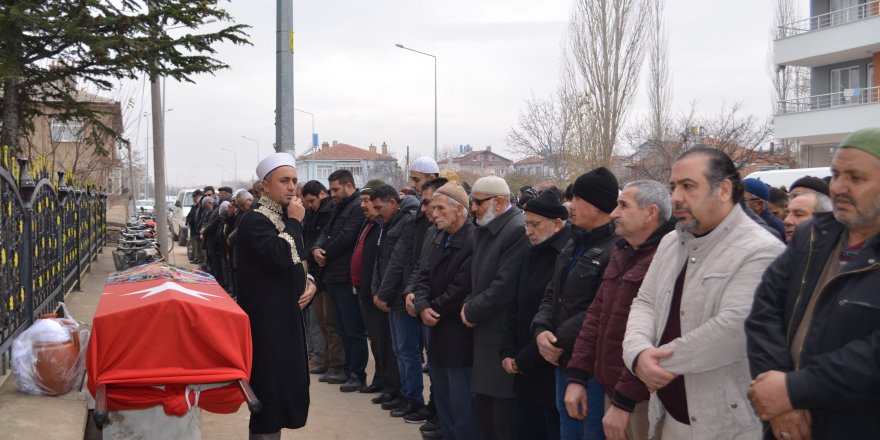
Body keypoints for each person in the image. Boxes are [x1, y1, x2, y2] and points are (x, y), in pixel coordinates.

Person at [622, 147, 784, 439]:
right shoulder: (671, 243)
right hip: (667, 417)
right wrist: (636, 353)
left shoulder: (762, 250)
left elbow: (734, 329)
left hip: (725, 425)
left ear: (723, 189)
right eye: (673, 187)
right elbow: (645, 303)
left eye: (688, 186)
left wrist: (653, 362)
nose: (676, 198)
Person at [746, 128, 880, 439]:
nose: (840, 187)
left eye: (856, 178)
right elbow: (764, 313)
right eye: (836, 174)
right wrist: (782, 401)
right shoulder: (812, 236)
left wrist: (795, 390)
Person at [564, 180, 675, 440]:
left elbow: (656, 338)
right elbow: (596, 316)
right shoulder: (622, 250)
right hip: (612, 391)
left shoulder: (667, 257)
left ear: (651, 213)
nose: (614, 213)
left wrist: (624, 401)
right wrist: (578, 375)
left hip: (644, 399)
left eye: (623, 206)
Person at [532, 167, 620, 440]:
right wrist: (540, 330)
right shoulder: (573, 243)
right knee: (567, 431)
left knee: (589, 432)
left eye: (578, 199)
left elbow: (599, 309)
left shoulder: (616, 249)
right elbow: (552, 293)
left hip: (591, 368)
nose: (570, 205)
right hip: (563, 361)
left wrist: (557, 339)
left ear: (597, 206)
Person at [234, 152, 317, 439]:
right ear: (265, 186)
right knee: (268, 399)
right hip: (267, 325)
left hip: (288, 320)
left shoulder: (284, 218)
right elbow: (279, 255)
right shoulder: (254, 221)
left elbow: (298, 260)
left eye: (294, 180)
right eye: (284, 181)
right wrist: (295, 223)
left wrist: (310, 282)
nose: (292, 187)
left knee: (285, 394)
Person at [461, 175, 530, 440]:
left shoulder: (515, 230)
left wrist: (471, 310)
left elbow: (505, 286)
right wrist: (469, 303)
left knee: (502, 419)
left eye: (478, 202)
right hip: (483, 331)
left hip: (501, 334)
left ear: (499, 202)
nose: (473, 208)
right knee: (485, 415)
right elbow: (478, 279)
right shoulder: (485, 227)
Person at [500, 190, 571, 440]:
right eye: (526, 223)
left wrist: (524, 360)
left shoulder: (566, 257)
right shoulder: (530, 253)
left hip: (546, 369)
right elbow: (514, 305)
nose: (528, 230)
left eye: (534, 224)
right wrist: (507, 351)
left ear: (557, 224)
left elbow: (557, 316)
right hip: (521, 368)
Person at [412, 182, 478, 440]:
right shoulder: (439, 237)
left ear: (459, 209)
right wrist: (421, 306)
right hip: (436, 331)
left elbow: (461, 287)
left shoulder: (473, 240)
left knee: (463, 408)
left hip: (458, 336)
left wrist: (430, 308)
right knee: (444, 404)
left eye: (440, 208)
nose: (433, 212)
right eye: (433, 207)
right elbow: (423, 276)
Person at [371, 185, 428, 419]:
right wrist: (376, 291)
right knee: (398, 349)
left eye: (378, 207)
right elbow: (379, 259)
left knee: (407, 351)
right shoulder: (386, 224)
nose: (375, 212)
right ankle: (404, 395)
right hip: (388, 296)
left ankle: (413, 399)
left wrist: (382, 294)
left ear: (393, 203)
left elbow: (398, 261)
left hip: (399, 297)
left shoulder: (407, 223)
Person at [311, 170, 369, 392]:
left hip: (345, 276)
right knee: (340, 327)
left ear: (348, 186)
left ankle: (357, 373)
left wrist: (324, 251)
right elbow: (325, 231)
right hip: (331, 275)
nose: (332, 194)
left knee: (353, 329)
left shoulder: (356, 207)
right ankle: (345, 368)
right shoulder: (337, 206)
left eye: (336, 189)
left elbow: (347, 236)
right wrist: (317, 247)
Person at [353, 180, 401, 402]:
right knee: (377, 342)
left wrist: (378, 292)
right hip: (367, 293)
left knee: (386, 344)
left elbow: (384, 263)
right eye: (363, 201)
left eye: (368, 202)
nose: (364, 206)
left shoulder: (384, 225)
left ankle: (391, 387)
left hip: (380, 296)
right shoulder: (369, 224)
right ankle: (381, 381)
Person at [300, 180, 345, 380]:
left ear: (321, 194)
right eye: (307, 202)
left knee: (330, 323)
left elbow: (328, 237)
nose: (310, 206)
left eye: (312, 201)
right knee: (319, 320)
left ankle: (336, 364)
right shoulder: (311, 213)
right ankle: (326, 361)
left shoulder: (331, 210)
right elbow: (309, 239)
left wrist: (317, 251)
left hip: (328, 271)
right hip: (315, 272)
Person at [186, 189, 204, 263]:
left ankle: (200, 259)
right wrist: (188, 222)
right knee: (194, 244)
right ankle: (196, 257)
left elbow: (201, 218)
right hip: (193, 229)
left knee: (199, 245)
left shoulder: (201, 206)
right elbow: (189, 215)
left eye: (194, 197)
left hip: (198, 229)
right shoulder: (194, 206)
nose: (193, 198)